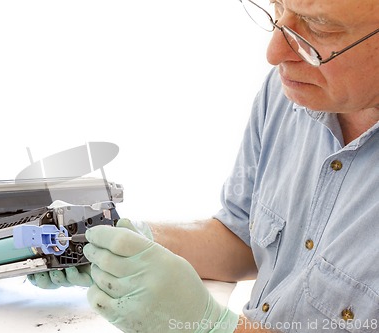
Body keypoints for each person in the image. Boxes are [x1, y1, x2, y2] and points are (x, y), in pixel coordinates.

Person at [29, 0, 379, 332]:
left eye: (317, 28)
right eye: (278, 9)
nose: (275, 53)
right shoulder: (294, 89)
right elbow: (242, 238)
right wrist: (126, 241)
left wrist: (209, 326)